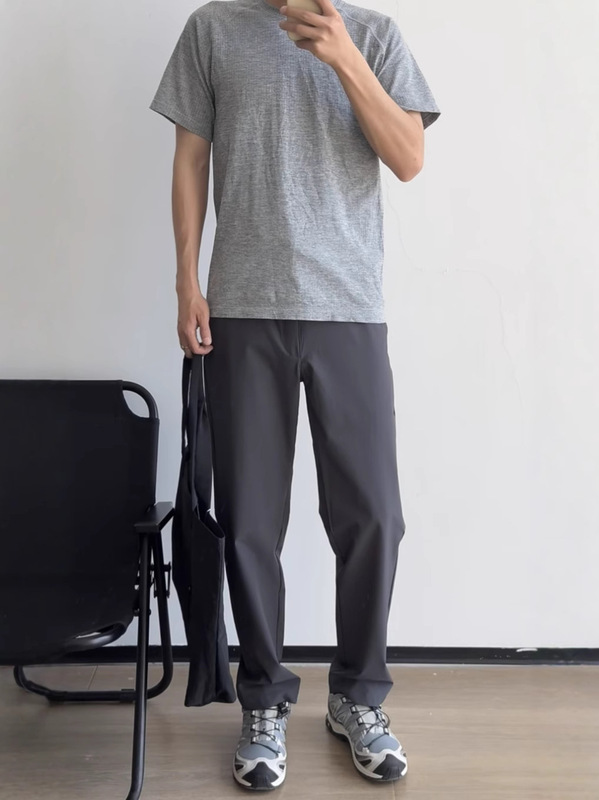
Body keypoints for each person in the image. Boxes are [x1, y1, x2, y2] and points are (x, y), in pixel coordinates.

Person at [150, 0, 440, 790]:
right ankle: (264, 700)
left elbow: (409, 157)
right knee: (250, 522)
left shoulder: (373, 34)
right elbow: (191, 158)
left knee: (373, 516)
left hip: (350, 309)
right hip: (243, 308)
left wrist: (344, 57)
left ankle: (357, 695)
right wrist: (186, 281)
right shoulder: (212, 29)